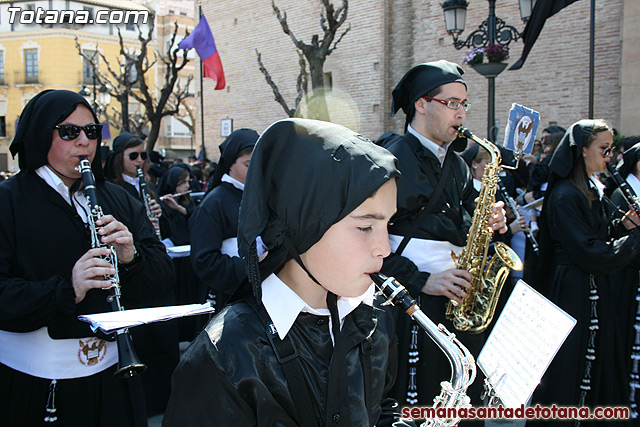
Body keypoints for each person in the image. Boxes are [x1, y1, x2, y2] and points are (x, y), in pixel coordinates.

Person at [163, 118, 415, 426]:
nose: (385, 249)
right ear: (302, 224)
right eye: (365, 226)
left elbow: (379, 406)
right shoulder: (222, 357)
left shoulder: (375, 317)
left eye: (388, 224)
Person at [0, 89, 174, 426]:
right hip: (37, 385)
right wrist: (69, 289)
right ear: (39, 135)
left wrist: (132, 258)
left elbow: (163, 279)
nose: (85, 142)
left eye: (92, 132)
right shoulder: (8, 202)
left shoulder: (118, 198)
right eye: (69, 132)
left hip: (115, 379)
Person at [378, 60, 507, 412]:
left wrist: (490, 220)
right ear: (421, 104)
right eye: (453, 103)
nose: (462, 113)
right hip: (407, 307)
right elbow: (363, 240)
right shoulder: (389, 159)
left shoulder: (458, 164)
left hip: (453, 300)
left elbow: (466, 224)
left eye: (464, 104)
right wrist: (422, 280)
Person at [532, 120, 640, 419]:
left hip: (593, 289)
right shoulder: (565, 195)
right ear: (581, 152)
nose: (610, 157)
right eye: (604, 149)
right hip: (573, 291)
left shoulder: (591, 189)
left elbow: (597, 235)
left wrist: (622, 226)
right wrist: (635, 239)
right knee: (573, 369)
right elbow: (589, 251)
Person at [189, 128, 258, 313]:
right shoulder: (213, 204)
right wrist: (254, 270)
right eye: (248, 164)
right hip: (227, 298)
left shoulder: (261, 198)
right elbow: (204, 261)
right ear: (230, 164)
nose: (255, 170)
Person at [104, 132, 165, 238]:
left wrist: (160, 213)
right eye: (133, 156)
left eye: (143, 155)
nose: (140, 160)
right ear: (119, 157)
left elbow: (167, 230)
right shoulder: (111, 189)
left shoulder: (148, 187)